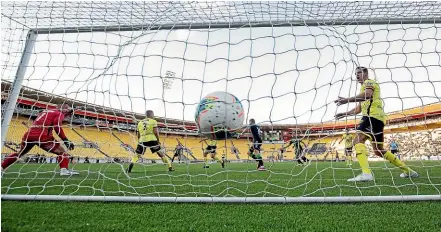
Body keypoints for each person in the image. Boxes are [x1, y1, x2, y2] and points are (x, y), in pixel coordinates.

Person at [335, 66, 418, 181]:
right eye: (355, 74)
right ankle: (408, 171)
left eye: (359, 73)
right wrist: (344, 113)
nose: (357, 76)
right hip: (377, 119)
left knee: (358, 140)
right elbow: (358, 109)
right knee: (378, 150)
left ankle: (366, 174)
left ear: (366, 73)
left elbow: (367, 95)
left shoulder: (369, 82)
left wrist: (346, 100)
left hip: (371, 117)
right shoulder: (362, 90)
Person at [1, 104, 79, 176]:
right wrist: (66, 140)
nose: (68, 114)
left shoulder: (45, 111)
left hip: (29, 135)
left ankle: (1, 168)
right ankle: (64, 170)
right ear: (64, 109)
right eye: (68, 111)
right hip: (43, 136)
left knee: (19, 153)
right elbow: (57, 126)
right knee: (62, 151)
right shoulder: (59, 113)